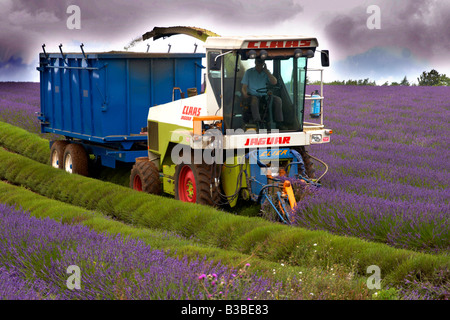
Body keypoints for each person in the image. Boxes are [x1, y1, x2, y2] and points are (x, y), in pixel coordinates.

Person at [241, 58, 283, 126]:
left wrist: (266, 71)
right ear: (255, 62)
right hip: (252, 95)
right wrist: (245, 93)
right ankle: (257, 122)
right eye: (258, 62)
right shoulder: (249, 72)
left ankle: (279, 122)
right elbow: (244, 87)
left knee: (278, 100)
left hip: (264, 95)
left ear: (264, 63)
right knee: (254, 101)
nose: (259, 64)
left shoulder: (266, 73)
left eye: (261, 62)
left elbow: (274, 82)